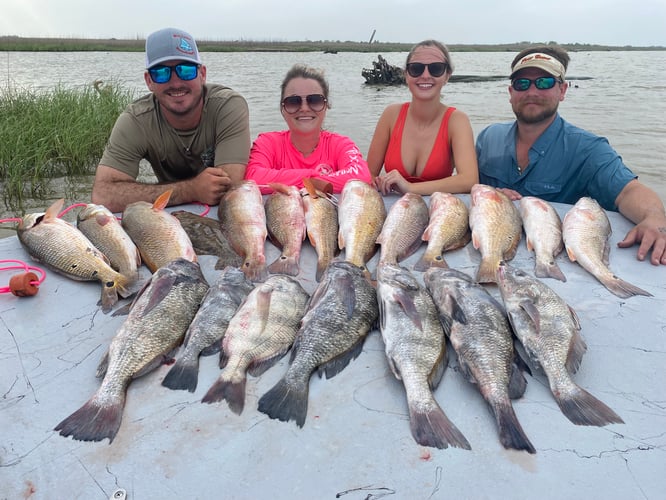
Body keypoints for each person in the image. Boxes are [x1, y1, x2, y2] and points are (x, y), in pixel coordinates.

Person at [475, 44, 666, 266]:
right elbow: (468, 189)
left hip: (558, 264)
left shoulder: (589, 149)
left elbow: (628, 191)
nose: (532, 92)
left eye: (545, 82)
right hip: (492, 251)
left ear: (563, 90)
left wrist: (654, 218)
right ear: (511, 93)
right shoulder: (488, 137)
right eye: (522, 83)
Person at [91, 27, 251, 213]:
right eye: (161, 73)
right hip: (168, 215)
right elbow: (103, 195)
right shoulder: (135, 121)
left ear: (202, 74)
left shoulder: (228, 106)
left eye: (186, 70)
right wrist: (189, 190)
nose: (176, 83)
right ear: (149, 80)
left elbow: (229, 186)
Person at [366, 40, 479, 196]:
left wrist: (410, 188)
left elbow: (469, 180)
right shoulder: (391, 115)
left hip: (438, 213)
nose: (425, 76)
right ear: (406, 75)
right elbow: (368, 174)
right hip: (396, 213)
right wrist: (375, 182)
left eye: (436, 69)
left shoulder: (457, 121)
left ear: (447, 76)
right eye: (416, 69)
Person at [244, 64, 372, 194]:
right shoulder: (267, 142)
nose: (304, 108)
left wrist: (301, 181)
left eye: (315, 100)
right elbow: (253, 178)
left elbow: (362, 176)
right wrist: (313, 178)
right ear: (282, 108)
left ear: (326, 106)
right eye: (293, 102)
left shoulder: (342, 144)